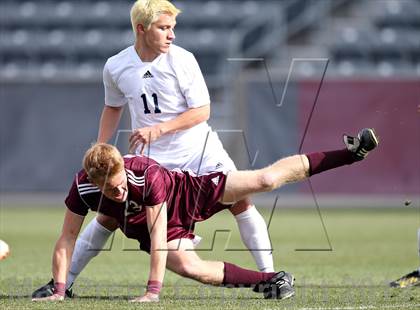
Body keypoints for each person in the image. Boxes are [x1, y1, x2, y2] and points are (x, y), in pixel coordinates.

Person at [31, 0, 275, 298]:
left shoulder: (183, 60)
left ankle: (271, 277)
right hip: (155, 161)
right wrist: (102, 150)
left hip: (200, 151)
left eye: (173, 28)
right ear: (141, 29)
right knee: (108, 216)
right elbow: (112, 107)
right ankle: (64, 283)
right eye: (164, 28)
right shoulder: (116, 66)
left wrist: (160, 129)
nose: (171, 35)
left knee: (241, 203)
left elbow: (203, 111)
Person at [32, 128, 379, 302]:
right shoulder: (83, 188)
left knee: (266, 179)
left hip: (186, 193)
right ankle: (271, 282)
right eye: (111, 190)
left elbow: (157, 235)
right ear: (93, 182)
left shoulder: (144, 174)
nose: (118, 192)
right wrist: (60, 289)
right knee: (191, 268)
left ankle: (350, 153)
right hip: (143, 222)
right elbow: (67, 237)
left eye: (120, 184)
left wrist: (152, 291)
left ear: (124, 167)